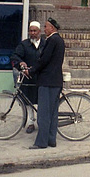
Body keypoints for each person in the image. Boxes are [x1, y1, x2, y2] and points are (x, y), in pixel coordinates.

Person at [26, 17, 65, 149]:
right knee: (53, 113)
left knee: (43, 114)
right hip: (56, 81)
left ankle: (41, 142)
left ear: (52, 28)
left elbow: (43, 60)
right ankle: (51, 140)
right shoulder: (60, 40)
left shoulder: (52, 40)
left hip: (47, 81)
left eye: (46, 27)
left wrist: (31, 71)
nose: (44, 29)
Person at [10, 21, 45, 133]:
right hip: (28, 78)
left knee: (42, 101)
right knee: (28, 101)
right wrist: (21, 63)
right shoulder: (24, 45)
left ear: (39, 32)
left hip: (42, 77)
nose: (32, 33)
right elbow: (15, 56)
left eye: (35, 31)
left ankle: (42, 122)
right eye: (31, 31)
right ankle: (30, 122)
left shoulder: (45, 44)